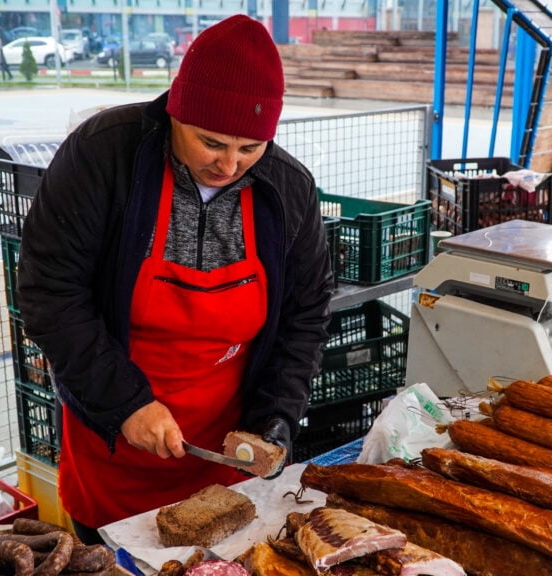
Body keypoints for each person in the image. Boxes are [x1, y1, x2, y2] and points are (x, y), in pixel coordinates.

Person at [17, 14, 333, 544]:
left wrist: (275, 419)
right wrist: (126, 404)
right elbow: (51, 293)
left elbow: (306, 316)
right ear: (175, 112)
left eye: (250, 148)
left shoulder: (288, 189)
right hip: (114, 439)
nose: (230, 164)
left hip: (223, 449)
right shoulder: (103, 155)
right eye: (211, 142)